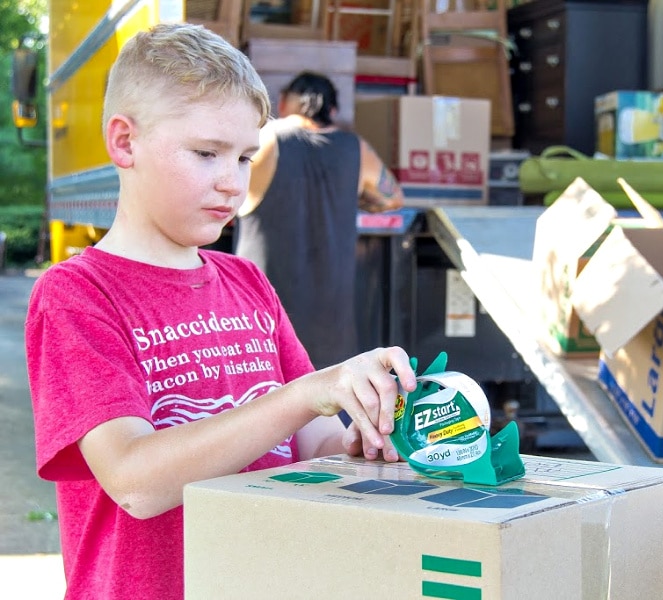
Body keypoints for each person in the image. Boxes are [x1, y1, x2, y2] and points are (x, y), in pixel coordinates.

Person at [24, 24, 416, 600]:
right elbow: (134, 480)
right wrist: (307, 391)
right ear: (125, 142)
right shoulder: (78, 294)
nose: (233, 183)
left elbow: (311, 444)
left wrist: (365, 436)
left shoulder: (249, 282)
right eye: (207, 154)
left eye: (245, 157)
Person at [234, 71, 403, 369]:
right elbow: (392, 197)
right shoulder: (355, 148)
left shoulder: (264, 138)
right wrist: (355, 196)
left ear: (283, 103)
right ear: (333, 111)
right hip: (331, 324)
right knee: (326, 407)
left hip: (261, 320)